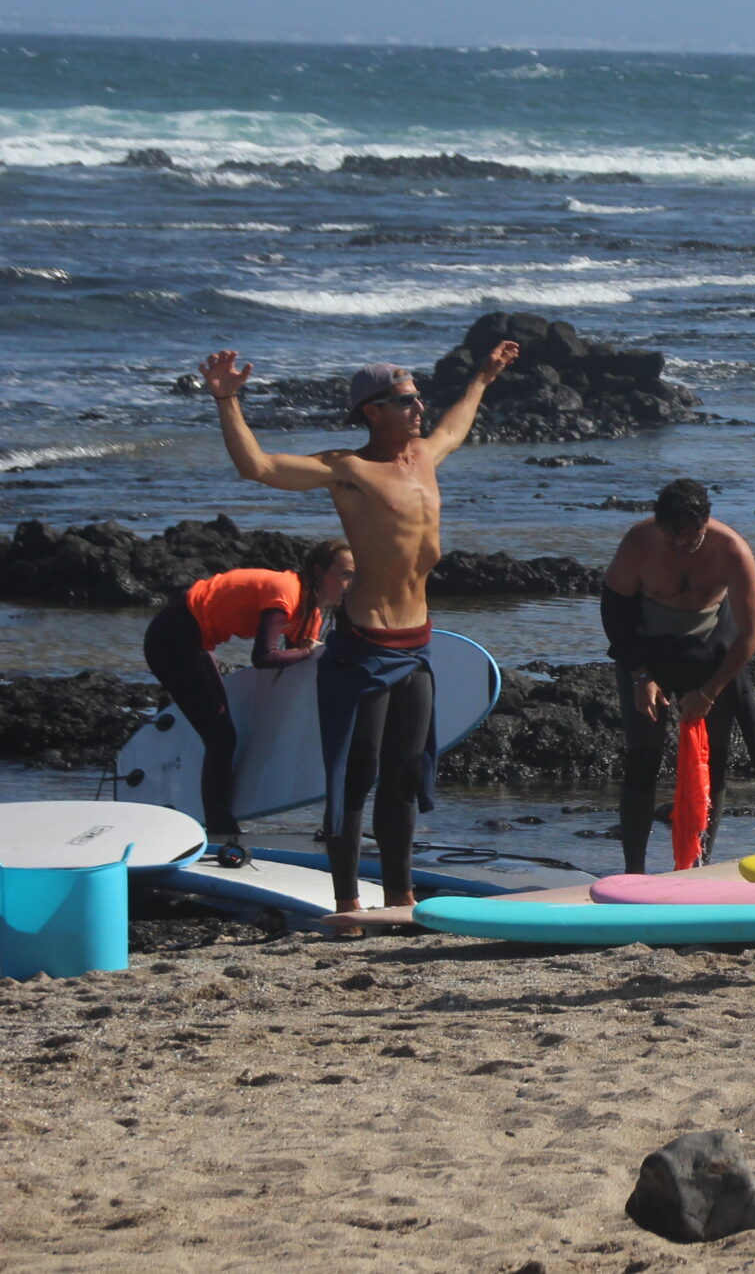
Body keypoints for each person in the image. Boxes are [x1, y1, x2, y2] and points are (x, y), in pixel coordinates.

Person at [198, 339, 520, 918]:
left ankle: (401, 896)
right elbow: (259, 467)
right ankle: (347, 902)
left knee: (402, 779)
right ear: (372, 410)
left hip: (416, 644)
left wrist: (482, 379)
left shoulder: (423, 456)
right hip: (364, 648)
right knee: (354, 778)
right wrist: (227, 401)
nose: (417, 408)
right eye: (404, 401)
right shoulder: (348, 470)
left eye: (418, 398)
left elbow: (456, 426)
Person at [600, 479, 755, 875]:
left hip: (710, 653)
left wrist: (709, 693)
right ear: (660, 526)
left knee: (714, 759)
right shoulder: (639, 542)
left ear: (706, 523)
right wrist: (641, 676)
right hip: (647, 650)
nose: (681, 545)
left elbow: (749, 635)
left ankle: (700, 865)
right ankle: (634, 871)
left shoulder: (731, 550)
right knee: (643, 754)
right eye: (673, 537)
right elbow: (613, 615)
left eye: (690, 537)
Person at [140, 539, 356, 837]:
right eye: (346, 574)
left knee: (221, 733)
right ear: (319, 572)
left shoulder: (310, 614)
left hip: (197, 642)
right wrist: (310, 652)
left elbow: (301, 674)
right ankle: (220, 831)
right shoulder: (287, 592)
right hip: (172, 638)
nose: (352, 584)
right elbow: (264, 656)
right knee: (221, 737)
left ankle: (218, 820)